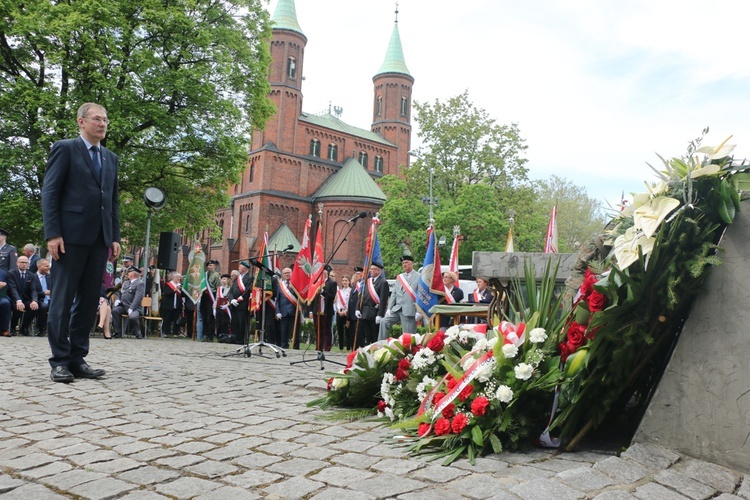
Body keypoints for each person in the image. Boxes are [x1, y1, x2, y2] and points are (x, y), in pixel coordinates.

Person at [42, 102, 121, 382]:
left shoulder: (110, 158)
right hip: (69, 238)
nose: (102, 124)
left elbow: (112, 201)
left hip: (99, 239)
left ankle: (77, 358)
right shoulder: (65, 148)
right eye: (97, 119)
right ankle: (59, 361)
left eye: (105, 120)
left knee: (89, 302)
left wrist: (114, 237)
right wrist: (53, 233)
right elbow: (50, 192)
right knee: (62, 300)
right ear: (81, 122)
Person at [379, 255, 420, 340]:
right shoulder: (400, 277)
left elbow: (421, 294)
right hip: (397, 308)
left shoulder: (419, 276)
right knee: (383, 321)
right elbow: (394, 293)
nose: (405, 265)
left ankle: (408, 352)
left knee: (408, 336)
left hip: (410, 309)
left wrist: (419, 311)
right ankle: (381, 344)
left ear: (412, 264)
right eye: (403, 263)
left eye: (407, 263)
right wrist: (389, 308)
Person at [356, 263, 389, 346]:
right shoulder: (368, 281)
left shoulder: (383, 282)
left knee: (374, 336)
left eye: (373, 269)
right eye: (370, 269)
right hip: (365, 312)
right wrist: (357, 308)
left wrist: (380, 314)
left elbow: (383, 300)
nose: (370, 271)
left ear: (378, 271)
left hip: (374, 313)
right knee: (367, 335)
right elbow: (361, 296)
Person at [7, 255, 41, 336]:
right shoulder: (11, 273)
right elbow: (12, 288)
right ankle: (13, 328)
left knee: (35, 308)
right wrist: (18, 300)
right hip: (14, 299)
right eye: (22, 262)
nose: (24, 264)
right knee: (17, 308)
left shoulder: (31, 275)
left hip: (26, 299)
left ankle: (24, 328)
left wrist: (34, 300)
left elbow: (33, 289)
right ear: (17, 263)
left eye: (26, 263)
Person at [111, 266, 145, 339]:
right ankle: (117, 332)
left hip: (134, 308)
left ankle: (138, 333)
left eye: (129, 272)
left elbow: (138, 298)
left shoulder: (140, 284)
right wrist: (117, 299)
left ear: (133, 274)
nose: (127, 274)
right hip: (123, 306)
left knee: (133, 317)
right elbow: (120, 293)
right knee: (114, 311)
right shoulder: (126, 283)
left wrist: (132, 308)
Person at [228, 261, 252, 344]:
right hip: (234, 304)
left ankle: (242, 340)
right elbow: (231, 291)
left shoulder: (250, 278)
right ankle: (235, 338)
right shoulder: (237, 278)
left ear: (245, 268)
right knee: (234, 322)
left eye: (240, 267)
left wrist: (242, 297)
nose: (239, 268)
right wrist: (231, 299)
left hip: (243, 304)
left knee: (242, 323)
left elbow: (249, 289)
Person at [275, 267, 299, 349]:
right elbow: (277, 300)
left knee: (295, 331)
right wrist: (277, 311)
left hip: (294, 310)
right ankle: (284, 346)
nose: (287, 274)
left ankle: (295, 347)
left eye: (288, 272)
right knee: (283, 330)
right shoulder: (280, 285)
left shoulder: (296, 284)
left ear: (292, 273)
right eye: (285, 273)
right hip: (283, 311)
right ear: (283, 275)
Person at [199, 260, 220, 342]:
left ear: (214, 266)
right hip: (204, 296)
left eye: (211, 265)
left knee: (210, 316)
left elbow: (218, 287)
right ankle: (205, 334)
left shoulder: (216, 275)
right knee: (204, 316)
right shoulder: (205, 275)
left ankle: (211, 335)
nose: (209, 267)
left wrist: (217, 299)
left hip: (212, 296)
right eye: (208, 265)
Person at [160, 272, 184, 338]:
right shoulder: (168, 284)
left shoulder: (180, 285)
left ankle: (175, 333)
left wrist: (181, 290)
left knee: (176, 319)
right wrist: (175, 290)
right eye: (177, 277)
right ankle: (165, 332)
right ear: (173, 278)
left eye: (179, 277)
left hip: (177, 305)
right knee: (167, 319)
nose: (178, 279)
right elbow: (166, 293)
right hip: (168, 305)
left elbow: (183, 295)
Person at [34, 258, 52, 336]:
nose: (48, 268)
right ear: (39, 266)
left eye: (49, 266)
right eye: (46, 266)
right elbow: (32, 292)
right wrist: (43, 293)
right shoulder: (33, 277)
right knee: (44, 307)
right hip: (38, 299)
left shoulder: (50, 277)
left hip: (51, 299)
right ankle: (41, 329)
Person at [347, 266, 364, 348]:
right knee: (352, 334)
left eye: (359, 274)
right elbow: (350, 301)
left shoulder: (364, 285)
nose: (357, 276)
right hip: (352, 314)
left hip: (358, 313)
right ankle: (353, 349)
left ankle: (359, 348)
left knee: (359, 334)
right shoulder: (354, 286)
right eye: (356, 274)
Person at [334, 274, 351, 350]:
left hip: (347, 313)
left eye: (346, 281)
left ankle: (348, 348)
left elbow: (350, 303)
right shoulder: (339, 292)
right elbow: (337, 302)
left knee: (348, 331)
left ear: (349, 282)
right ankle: (340, 348)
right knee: (340, 331)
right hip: (339, 312)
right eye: (343, 280)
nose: (344, 282)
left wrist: (346, 311)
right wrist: (338, 311)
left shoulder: (351, 291)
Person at [214, 273, 232, 341]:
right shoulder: (219, 288)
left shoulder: (230, 289)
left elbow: (230, 298)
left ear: (228, 280)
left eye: (224, 279)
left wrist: (227, 305)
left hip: (226, 308)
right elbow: (216, 298)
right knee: (218, 322)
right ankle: (219, 336)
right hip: (218, 307)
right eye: (222, 279)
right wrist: (214, 308)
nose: (222, 280)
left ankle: (225, 336)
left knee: (225, 322)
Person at [0, 267, 10, 336]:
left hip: (1, 295)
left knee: (5, 303)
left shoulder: (2, 272)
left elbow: (6, 284)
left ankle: (3, 329)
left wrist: (4, 284)